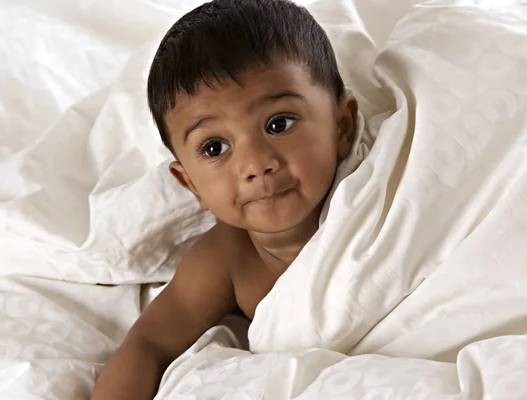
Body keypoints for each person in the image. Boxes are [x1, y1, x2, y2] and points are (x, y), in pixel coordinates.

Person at [91, 0, 357, 398]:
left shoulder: (377, 202)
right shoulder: (227, 259)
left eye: (278, 124)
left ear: (342, 126)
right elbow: (149, 344)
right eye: (215, 148)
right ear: (191, 185)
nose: (256, 164)